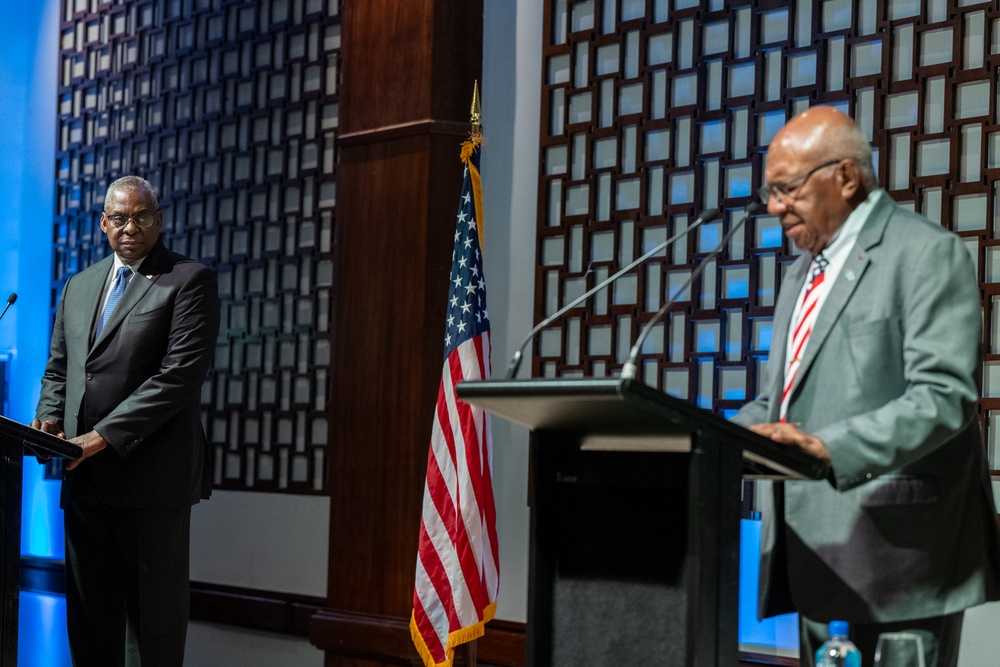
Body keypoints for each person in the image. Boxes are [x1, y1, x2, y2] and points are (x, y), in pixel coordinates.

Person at [731, 106, 1000, 666]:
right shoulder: (800, 274)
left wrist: (833, 448)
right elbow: (773, 401)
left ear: (845, 177)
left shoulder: (926, 253)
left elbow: (944, 397)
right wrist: (698, 439)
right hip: (813, 556)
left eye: (787, 189)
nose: (775, 207)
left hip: (896, 556)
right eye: (770, 192)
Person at [32, 175, 220, 667]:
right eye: (119, 218)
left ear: (159, 220)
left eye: (142, 217)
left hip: (151, 484)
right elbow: (60, 369)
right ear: (103, 224)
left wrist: (102, 437)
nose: (130, 227)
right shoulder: (80, 284)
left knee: (150, 633)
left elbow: (178, 377)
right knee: (91, 625)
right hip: (83, 479)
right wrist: (49, 420)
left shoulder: (189, 280)